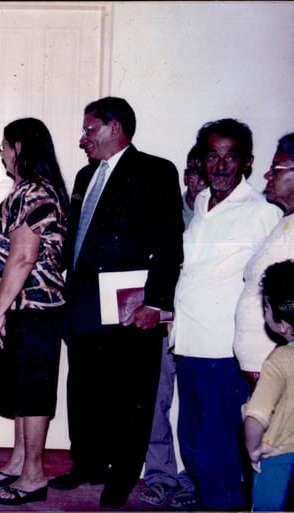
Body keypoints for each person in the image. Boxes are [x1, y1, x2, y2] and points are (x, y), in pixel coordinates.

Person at [49, 96, 184, 509]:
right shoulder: (84, 176)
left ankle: (122, 477)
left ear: (115, 127)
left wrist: (155, 304)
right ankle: (87, 464)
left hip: (129, 309)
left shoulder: (155, 171)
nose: (82, 138)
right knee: (83, 390)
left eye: (89, 129)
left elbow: (168, 244)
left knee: (129, 395)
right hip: (82, 306)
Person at [172, 118, 282, 510]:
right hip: (188, 343)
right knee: (191, 440)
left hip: (225, 349)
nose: (220, 166)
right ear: (200, 161)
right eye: (212, 157)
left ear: (247, 162)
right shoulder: (200, 202)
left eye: (230, 157)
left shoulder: (261, 213)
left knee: (216, 450)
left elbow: (270, 284)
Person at [0, 118, 70, 506]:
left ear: (19, 147)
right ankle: (19, 462)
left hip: (32, 308)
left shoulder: (35, 192)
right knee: (21, 390)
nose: (1, 151)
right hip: (24, 308)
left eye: (4, 145)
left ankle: (33, 475)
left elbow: (23, 257)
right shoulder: (31, 189)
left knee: (32, 394)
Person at [139, 147, 205, 508]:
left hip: (204, 326)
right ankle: (159, 476)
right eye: (192, 170)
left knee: (198, 407)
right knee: (155, 401)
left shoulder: (224, 216)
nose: (198, 179)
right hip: (163, 323)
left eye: (203, 171)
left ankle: (193, 480)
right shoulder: (165, 209)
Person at [234, 132, 294, 385]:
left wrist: (281, 355)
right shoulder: (284, 222)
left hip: (277, 370)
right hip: (262, 367)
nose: (267, 175)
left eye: (275, 169)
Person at [243, 260, 294, 512]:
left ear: (282, 323)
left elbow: (257, 416)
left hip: (278, 458)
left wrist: (253, 449)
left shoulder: (279, 361)